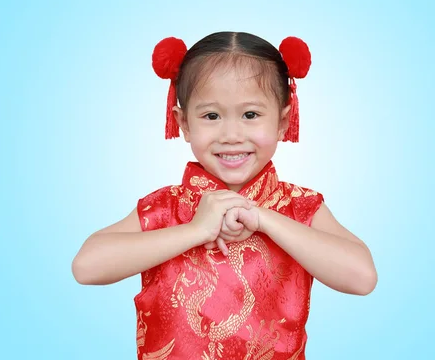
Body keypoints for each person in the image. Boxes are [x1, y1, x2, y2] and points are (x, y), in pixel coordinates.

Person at [71, 31, 377, 360]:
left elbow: (362, 278)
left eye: (250, 115)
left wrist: (265, 219)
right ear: (183, 123)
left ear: (283, 121)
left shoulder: (300, 207)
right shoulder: (166, 208)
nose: (231, 135)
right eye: (211, 116)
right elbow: (86, 267)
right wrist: (194, 231)